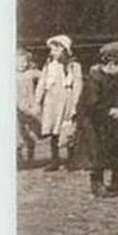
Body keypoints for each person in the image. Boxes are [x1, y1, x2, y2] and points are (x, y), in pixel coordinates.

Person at [76, 41, 118, 197]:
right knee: (97, 151)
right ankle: (97, 183)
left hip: (115, 120)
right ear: (111, 63)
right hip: (94, 122)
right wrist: (110, 111)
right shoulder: (94, 79)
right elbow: (91, 105)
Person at [35, 34, 82, 170]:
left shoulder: (74, 65)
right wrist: (38, 100)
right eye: (51, 50)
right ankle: (55, 159)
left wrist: (75, 104)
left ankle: (71, 159)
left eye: (55, 50)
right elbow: (42, 82)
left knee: (67, 128)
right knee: (53, 130)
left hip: (66, 100)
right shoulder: (49, 65)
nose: (52, 53)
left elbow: (78, 84)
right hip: (51, 101)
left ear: (63, 50)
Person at [17, 48, 41, 167]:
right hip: (16, 108)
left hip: (29, 105)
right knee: (18, 133)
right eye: (19, 62)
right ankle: (18, 157)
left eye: (24, 62)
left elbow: (43, 76)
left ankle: (31, 155)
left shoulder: (30, 73)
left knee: (32, 132)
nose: (22, 65)